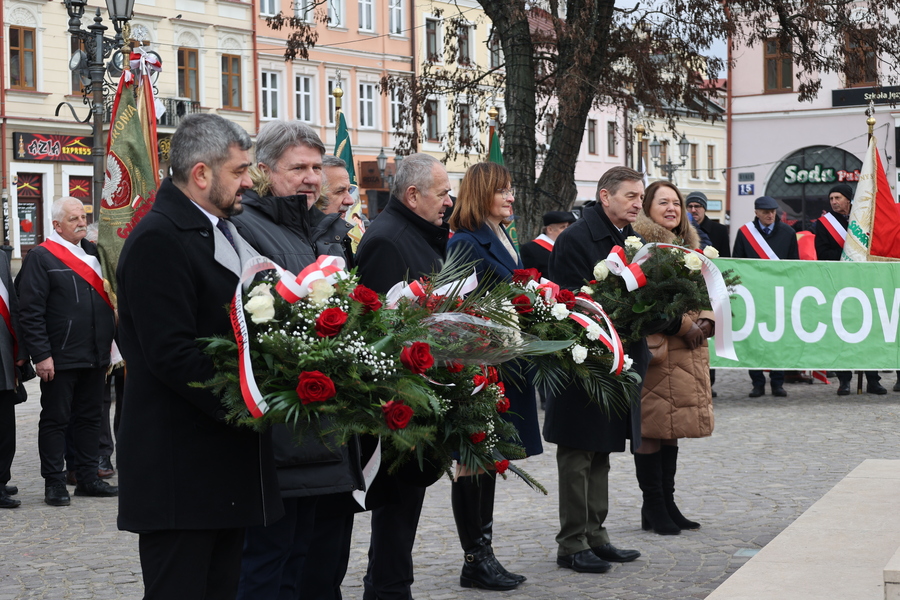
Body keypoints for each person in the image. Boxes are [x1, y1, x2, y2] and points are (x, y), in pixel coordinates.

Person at [116, 113, 283, 599]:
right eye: (239, 170)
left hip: (219, 464)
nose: (249, 181)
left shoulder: (222, 228)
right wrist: (249, 402)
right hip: (180, 467)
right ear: (202, 174)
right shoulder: (159, 237)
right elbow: (171, 354)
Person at [230, 119, 363, 600]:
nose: (311, 178)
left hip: (319, 428)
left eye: (315, 168)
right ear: (264, 171)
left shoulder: (314, 229)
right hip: (281, 429)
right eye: (298, 168)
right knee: (268, 565)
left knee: (304, 559)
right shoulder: (246, 228)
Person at [355, 153, 452, 600]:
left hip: (421, 389)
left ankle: (391, 586)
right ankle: (388, 590)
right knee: (396, 506)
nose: (449, 201)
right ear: (413, 195)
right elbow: (380, 328)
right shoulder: (388, 240)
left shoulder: (417, 232)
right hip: (399, 400)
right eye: (443, 193)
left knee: (406, 506)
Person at [544, 166, 650, 574]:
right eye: (630, 196)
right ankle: (572, 542)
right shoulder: (576, 238)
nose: (638, 203)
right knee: (577, 452)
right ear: (605, 196)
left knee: (602, 449)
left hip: (616, 360)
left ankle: (596, 534)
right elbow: (573, 302)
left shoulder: (628, 238)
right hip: (584, 363)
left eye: (640, 197)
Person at [446, 162, 542, 591]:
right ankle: (475, 559)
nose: (510, 197)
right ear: (481, 193)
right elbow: (458, 306)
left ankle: (484, 554)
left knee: (488, 460)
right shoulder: (466, 241)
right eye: (502, 190)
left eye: (511, 189)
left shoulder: (502, 236)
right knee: (473, 461)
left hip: (504, 361)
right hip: (480, 366)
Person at [17, 197, 118, 507]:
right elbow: (30, 311)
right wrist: (41, 355)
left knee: (90, 419)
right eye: (73, 219)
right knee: (55, 420)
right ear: (57, 225)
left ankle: (87, 478)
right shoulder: (41, 257)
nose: (81, 223)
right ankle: (54, 482)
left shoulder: (94, 254)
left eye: (83, 217)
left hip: (95, 353)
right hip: (60, 356)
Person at [631, 181, 715, 535]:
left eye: (676, 203)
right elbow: (642, 302)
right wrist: (684, 325)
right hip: (656, 349)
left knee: (671, 428)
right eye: (663, 202)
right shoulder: (642, 247)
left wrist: (707, 320)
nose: (672, 209)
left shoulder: (689, 246)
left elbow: (710, 291)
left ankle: (667, 502)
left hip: (685, 349)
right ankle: (653, 505)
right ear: (648, 209)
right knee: (652, 428)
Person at [814, 183, 887, 396]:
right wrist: (849, 256)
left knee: (869, 332)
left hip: (866, 281)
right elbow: (822, 253)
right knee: (842, 332)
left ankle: (873, 379)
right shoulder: (824, 224)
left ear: (848, 199)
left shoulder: (863, 218)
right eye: (831, 199)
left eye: (838, 198)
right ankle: (844, 380)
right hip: (840, 283)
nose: (834, 202)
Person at [732, 196, 799, 398]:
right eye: (765, 212)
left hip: (779, 294)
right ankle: (757, 382)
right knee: (754, 340)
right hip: (753, 294)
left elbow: (794, 265)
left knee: (777, 340)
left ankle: (778, 382)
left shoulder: (788, 233)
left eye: (773, 211)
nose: (770, 215)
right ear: (756, 213)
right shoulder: (745, 233)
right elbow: (738, 264)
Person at [0, 249, 27, 509]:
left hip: (3, 355)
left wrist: (20, 351)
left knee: (5, 427)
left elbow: (12, 303)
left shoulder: (0, 257)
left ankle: (1, 479)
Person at [519, 210, 576, 276]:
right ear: (549, 229)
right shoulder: (531, 249)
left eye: (567, 227)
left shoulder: (569, 246)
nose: (567, 230)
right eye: (562, 227)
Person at [685, 192, 730, 257]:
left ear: (704, 208)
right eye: (690, 206)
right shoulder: (682, 229)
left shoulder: (720, 230)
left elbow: (725, 258)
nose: (693, 210)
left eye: (697, 206)